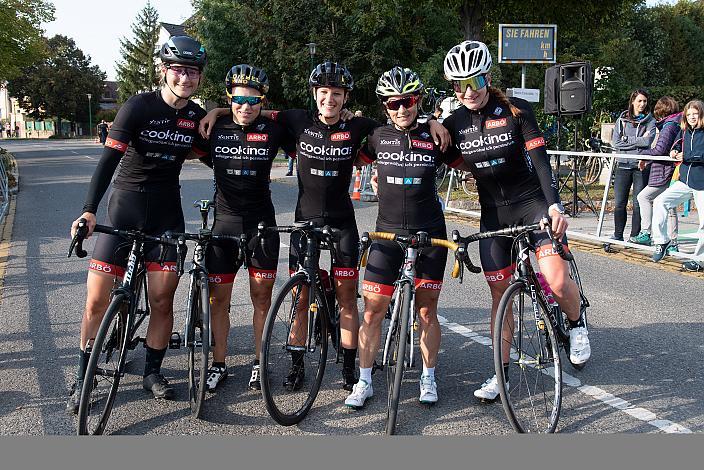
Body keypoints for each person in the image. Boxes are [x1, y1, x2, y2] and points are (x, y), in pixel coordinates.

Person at [200, 60, 450, 391]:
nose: (329, 100)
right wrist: (217, 111)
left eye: (336, 94)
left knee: (348, 298)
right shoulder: (295, 120)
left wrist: (432, 120)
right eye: (323, 93)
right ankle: (297, 363)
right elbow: (252, 108)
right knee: (301, 297)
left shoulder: (362, 127)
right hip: (306, 222)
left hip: (342, 222)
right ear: (315, 95)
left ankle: (349, 367)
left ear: (345, 98)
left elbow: (400, 122)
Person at [441, 41, 591, 401]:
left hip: (532, 204)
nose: (468, 92)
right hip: (494, 213)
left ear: (487, 78)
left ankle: (576, 322)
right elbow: (439, 154)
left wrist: (555, 207)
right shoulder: (453, 123)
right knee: (500, 295)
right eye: (459, 85)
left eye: (474, 82)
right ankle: (501, 374)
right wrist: (432, 122)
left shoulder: (517, 111)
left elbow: (541, 164)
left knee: (555, 280)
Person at [66, 35, 209, 414]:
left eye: (192, 71)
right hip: (123, 207)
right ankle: (84, 375)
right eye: (178, 69)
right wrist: (88, 210)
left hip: (166, 214)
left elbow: (220, 154)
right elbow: (107, 162)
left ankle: (152, 371)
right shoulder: (137, 107)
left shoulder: (195, 117)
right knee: (96, 300)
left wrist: (223, 112)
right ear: (164, 70)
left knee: (163, 300)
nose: (185, 77)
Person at [344, 67, 462, 408]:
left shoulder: (435, 136)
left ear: (418, 100)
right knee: (372, 312)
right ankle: (364, 381)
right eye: (393, 103)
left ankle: (428, 376)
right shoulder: (378, 136)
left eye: (408, 101)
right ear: (384, 106)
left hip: (430, 236)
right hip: (387, 236)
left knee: (426, 312)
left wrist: (435, 122)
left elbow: (474, 163)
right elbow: (348, 151)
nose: (401, 109)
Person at [199, 64, 296, 392]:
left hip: (261, 227)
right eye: (238, 99)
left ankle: (259, 361)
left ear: (263, 102)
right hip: (224, 225)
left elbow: (304, 115)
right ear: (229, 97)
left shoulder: (274, 129)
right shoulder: (216, 127)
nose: (245, 106)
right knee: (219, 300)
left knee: (261, 300)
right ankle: (219, 363)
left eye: (254, 101)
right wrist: (218, 110)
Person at [651, 100, 704, 272]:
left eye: (695, 113)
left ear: (701, 114)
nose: (691, 117)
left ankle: (700, 260)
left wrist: (685, 155)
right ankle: (662, 241)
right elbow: (676, 144)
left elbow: (698, 154)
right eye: (688, 114)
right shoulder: (685, 130)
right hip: (685, 180)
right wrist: (674, 151)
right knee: (660, 201)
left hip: (702, 183)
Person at [631, 97, 681, 250]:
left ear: (660, 111)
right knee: (669, 206)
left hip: (665, 170)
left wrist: (643, 155)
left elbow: (660, 149)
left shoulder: (669, 125)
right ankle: (673, 242)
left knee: (643, 196)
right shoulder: (676, 122)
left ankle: (647, 232)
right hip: (669, 169)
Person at [611, 89, 656, 244]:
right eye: (639, 101)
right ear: (633, 102)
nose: (642, 104)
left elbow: (647, 142)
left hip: (640, 166)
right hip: (623, 165)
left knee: (638, 203)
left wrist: (627, 139)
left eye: (644, 101)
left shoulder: (650, 121)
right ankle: (617, 235)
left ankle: (634, 236)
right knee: (619, 203)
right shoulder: (622, 119)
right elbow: (616, 142)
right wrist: (637, 140)